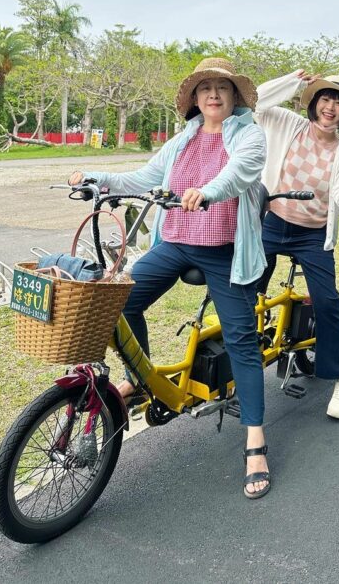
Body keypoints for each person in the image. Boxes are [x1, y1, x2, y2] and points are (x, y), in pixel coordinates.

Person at [68, 58, 272, 499]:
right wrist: (96, 178)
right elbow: (145, 178)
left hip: (226, 253)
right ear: (195, 99)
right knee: (122, 302)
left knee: (242, 342)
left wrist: (210, 191)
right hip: (175, 242)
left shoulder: (249, 134)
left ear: (234, 97)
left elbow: (240, 173)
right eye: (205, 89)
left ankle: (255, 441)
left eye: (222, 87)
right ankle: (143, 381)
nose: (213, 94)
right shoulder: (183, 139)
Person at [254, 70, 339, 420]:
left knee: (328, 302)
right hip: (271, 222)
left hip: (313, 234)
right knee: (245, 289)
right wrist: (294, 82)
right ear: (314, 102)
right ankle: (246, 358)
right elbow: (253, 101)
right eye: (326, 99)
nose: (331, 107)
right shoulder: (287, 123)